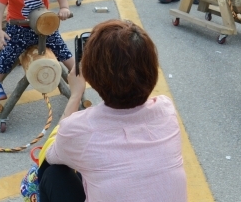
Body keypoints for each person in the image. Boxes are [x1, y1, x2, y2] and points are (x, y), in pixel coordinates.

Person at [37, 20, 187, 202]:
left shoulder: (79, 128)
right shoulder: (166, 110)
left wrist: (75, 94)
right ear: (152, 68)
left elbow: (51, 156)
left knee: (52, 173)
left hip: (71, 144)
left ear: (91, 75)